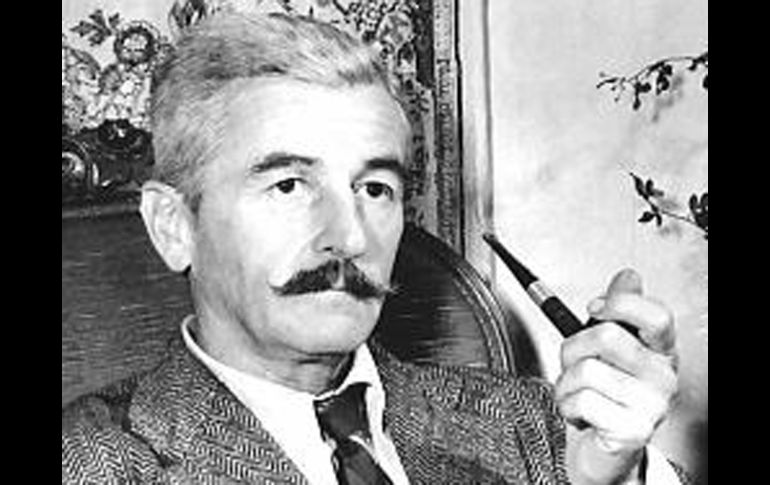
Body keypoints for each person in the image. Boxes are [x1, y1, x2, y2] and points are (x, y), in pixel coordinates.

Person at [62, 12, 688, 485]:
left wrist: (608, 478)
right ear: (174, 225)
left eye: (375, 188)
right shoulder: (93, 463)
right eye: (289, 185)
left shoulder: (537, 426)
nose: (352, 237)